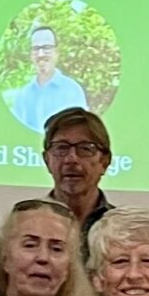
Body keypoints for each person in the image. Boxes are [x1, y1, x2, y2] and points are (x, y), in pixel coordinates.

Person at [1, 199, 100, 296]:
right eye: (30, 245)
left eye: (56, 248)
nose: (43, 258)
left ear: (70, 266)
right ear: (5, 257)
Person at [41, 108, 116, 254]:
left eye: (85, 149)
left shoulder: (120, 227)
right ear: (47, 160)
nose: (71, 159)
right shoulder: (28, 225)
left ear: (104, 162)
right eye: (61, 148)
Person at [7, 24, 88, 132]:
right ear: (31, 55)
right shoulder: (22, 95)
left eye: (46, 48)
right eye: (36, 48)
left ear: (57, 52)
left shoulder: (73, 90)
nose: (40, 54)